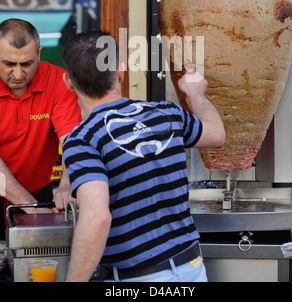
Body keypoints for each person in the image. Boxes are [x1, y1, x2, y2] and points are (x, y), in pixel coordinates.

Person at [62, 31, 225, 283]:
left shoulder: (82, 139)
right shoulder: (167, 113)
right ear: (120, 71)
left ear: (68, 82)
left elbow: (97, 218)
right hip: (191, 270)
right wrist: (195, 93)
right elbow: (216, 133)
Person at [0, 18, 82, 239]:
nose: (18, 74)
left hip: (40, 193)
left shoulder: (58, 80)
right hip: (29, 201)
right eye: (9, 64)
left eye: (26, 64)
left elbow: (72, 139)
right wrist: (32, 206)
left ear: (39, 53)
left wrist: (67, 184)